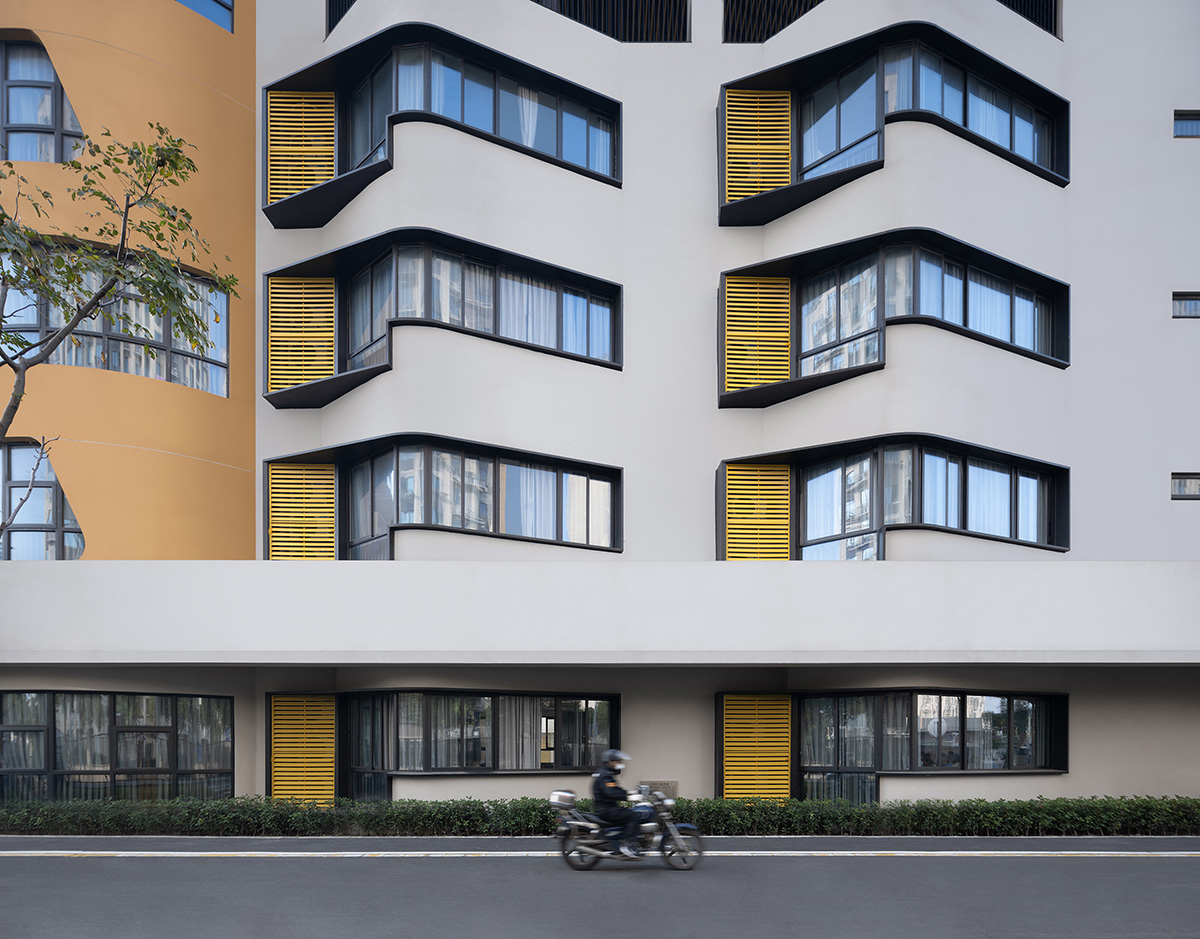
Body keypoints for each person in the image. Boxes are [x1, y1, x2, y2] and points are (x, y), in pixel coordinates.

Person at [592, 748, 653, 858]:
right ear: (610, 762)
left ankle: (624, 841)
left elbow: (615, 790)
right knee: (633, 816)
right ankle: (629, 846)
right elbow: (610, 793)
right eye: (618, 761)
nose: (620, 763)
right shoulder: (605, 775)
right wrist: (628, 798)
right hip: (607, 809)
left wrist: (630, 792)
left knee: (630, 813)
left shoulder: (607, 774)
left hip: (608, 808)